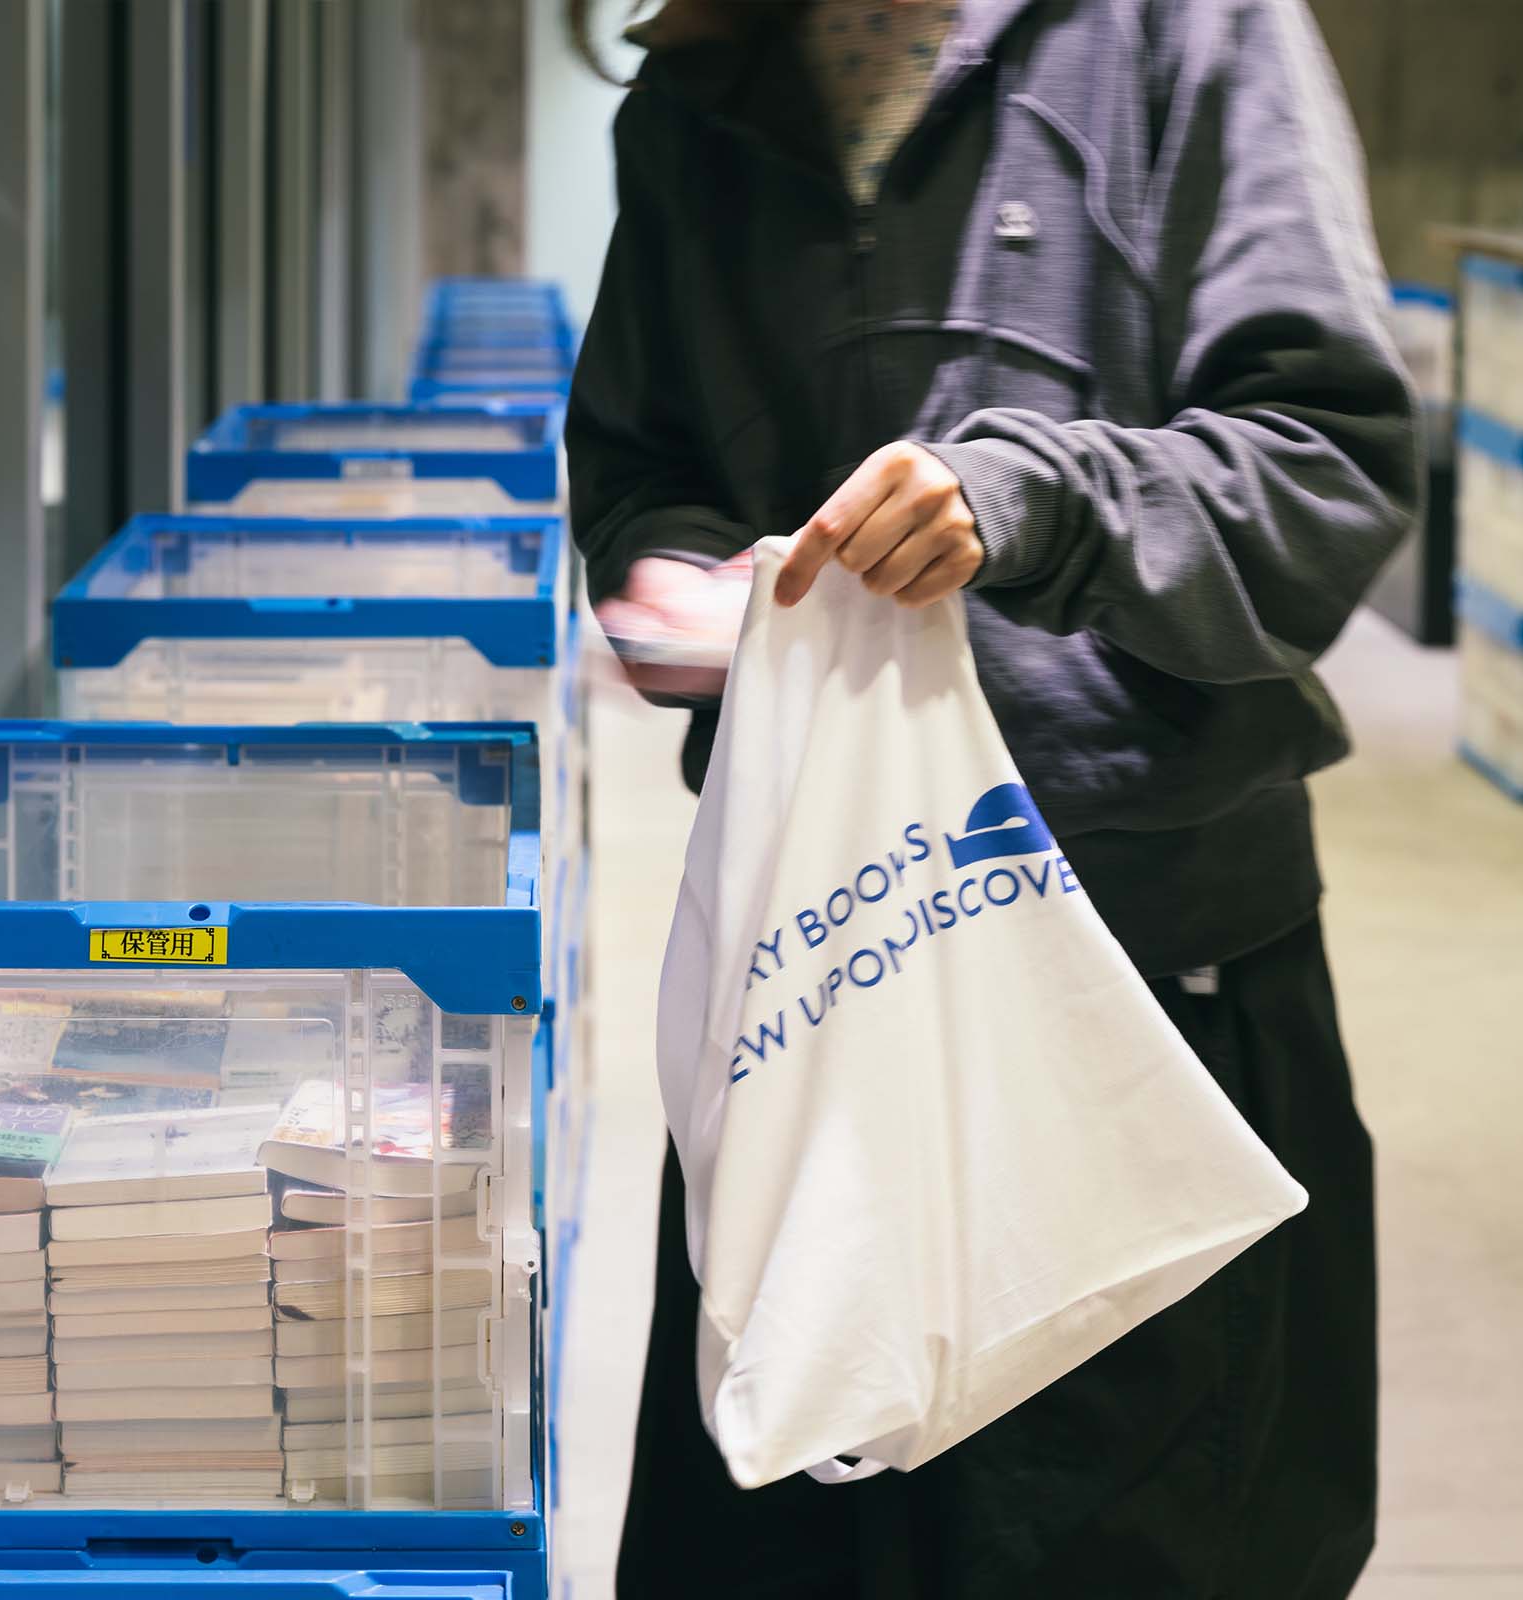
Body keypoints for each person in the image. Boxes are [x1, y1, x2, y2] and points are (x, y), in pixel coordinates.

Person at [563, 0, 1422, 1595]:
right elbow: (634, 468)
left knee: (1142, 1542)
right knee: (787, 1531)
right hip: (821, 993)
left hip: (1147, 988)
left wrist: (1033, 500)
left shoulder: (1190, 36)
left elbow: (1327, 462)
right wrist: (685, 591)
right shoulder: (695, 94)